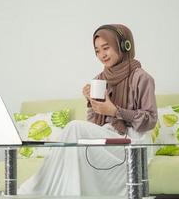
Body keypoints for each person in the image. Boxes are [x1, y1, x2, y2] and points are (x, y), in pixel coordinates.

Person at [18, 24, 158, 196]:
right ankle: (53, 190)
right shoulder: (100, 79)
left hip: (134, 141)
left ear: (124, 46)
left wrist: (115, 111)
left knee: (74, 127)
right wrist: (91, 103)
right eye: (97, 51)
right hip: (108, 137)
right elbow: (93, 124)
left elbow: (150, 120)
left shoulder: (142, 78)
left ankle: (35, 189)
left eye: (106, 48)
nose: (102, 55)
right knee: (75, 142)